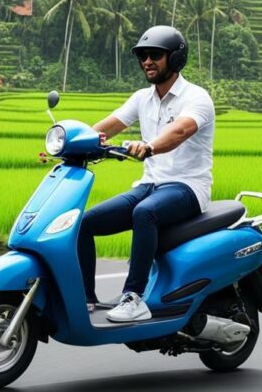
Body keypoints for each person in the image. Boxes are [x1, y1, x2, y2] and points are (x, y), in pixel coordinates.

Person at [79, 25, 215, 322]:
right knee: (84, 223)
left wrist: (150, 146)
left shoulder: (197, 97)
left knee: (145, 213)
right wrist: (70, 143)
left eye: (155, 55)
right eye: (143, 56)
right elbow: (109, 126)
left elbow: (180, 130)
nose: (147, 61)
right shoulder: (142, 98)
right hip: (150, 184)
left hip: (187, 187)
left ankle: (134, 298)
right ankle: (85, 299)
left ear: (175, 59)